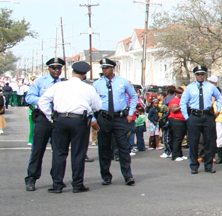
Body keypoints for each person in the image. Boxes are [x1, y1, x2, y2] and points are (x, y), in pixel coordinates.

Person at [37, 61, 102, 193]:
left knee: (59, 153)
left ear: (72, 72)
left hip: (60, 119)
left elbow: (42, 101)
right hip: (79, 121)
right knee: (78, 153)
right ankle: (77, 184)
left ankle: (57, 184)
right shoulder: (88, 88)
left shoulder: (59, 85)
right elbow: (97, 106)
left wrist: (50, 117)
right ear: (85, 75)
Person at [93, 58, 137, 186]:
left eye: (107, 68)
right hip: (104, 117)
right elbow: (91, 101)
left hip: (120, 118)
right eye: (103, 68)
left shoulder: (123, 82)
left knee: (123, 147)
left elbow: (134, 96)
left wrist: (130, 114)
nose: (104, 70)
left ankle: (128, 175)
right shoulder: (97, 84)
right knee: (104, 148)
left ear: (113, 68)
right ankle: (106, 175)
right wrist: (93, 118)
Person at [24, 58, 65, 191]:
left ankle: (57, 180)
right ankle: (31, 178)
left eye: (59, 68)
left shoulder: (64, 84)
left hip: (59, 118)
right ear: (49, 69)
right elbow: (29, 97)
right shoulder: (40, 82)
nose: (57, 70)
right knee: (38, 149)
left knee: (59, 151)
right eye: (54, 68)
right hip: (43, 118)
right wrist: (45, 100)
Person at [180, 66, 222, 174]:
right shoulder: (190, 88)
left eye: (202, 74)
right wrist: (187, 118)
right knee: (193, 142)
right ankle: (194, 166)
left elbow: (219, 98)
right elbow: (183, 103)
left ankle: (208, 166)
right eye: (198, 74)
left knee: (209, 142)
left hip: (208, 116)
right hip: (194, 116)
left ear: (205, 75)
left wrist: (218, 110)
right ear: (195, 75)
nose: (200, 76)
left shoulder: (210, 87)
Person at [168, 87, 187, 161]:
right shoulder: (175, 100)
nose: (182, 95)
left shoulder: (182, 99)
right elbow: (173, 109)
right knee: (177, 137)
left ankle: (180, 154)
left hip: (182, 120)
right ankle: (175, 155)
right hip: (176, 120)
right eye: (180, 93)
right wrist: (181, 106)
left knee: (180, 138)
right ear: (176, 93)